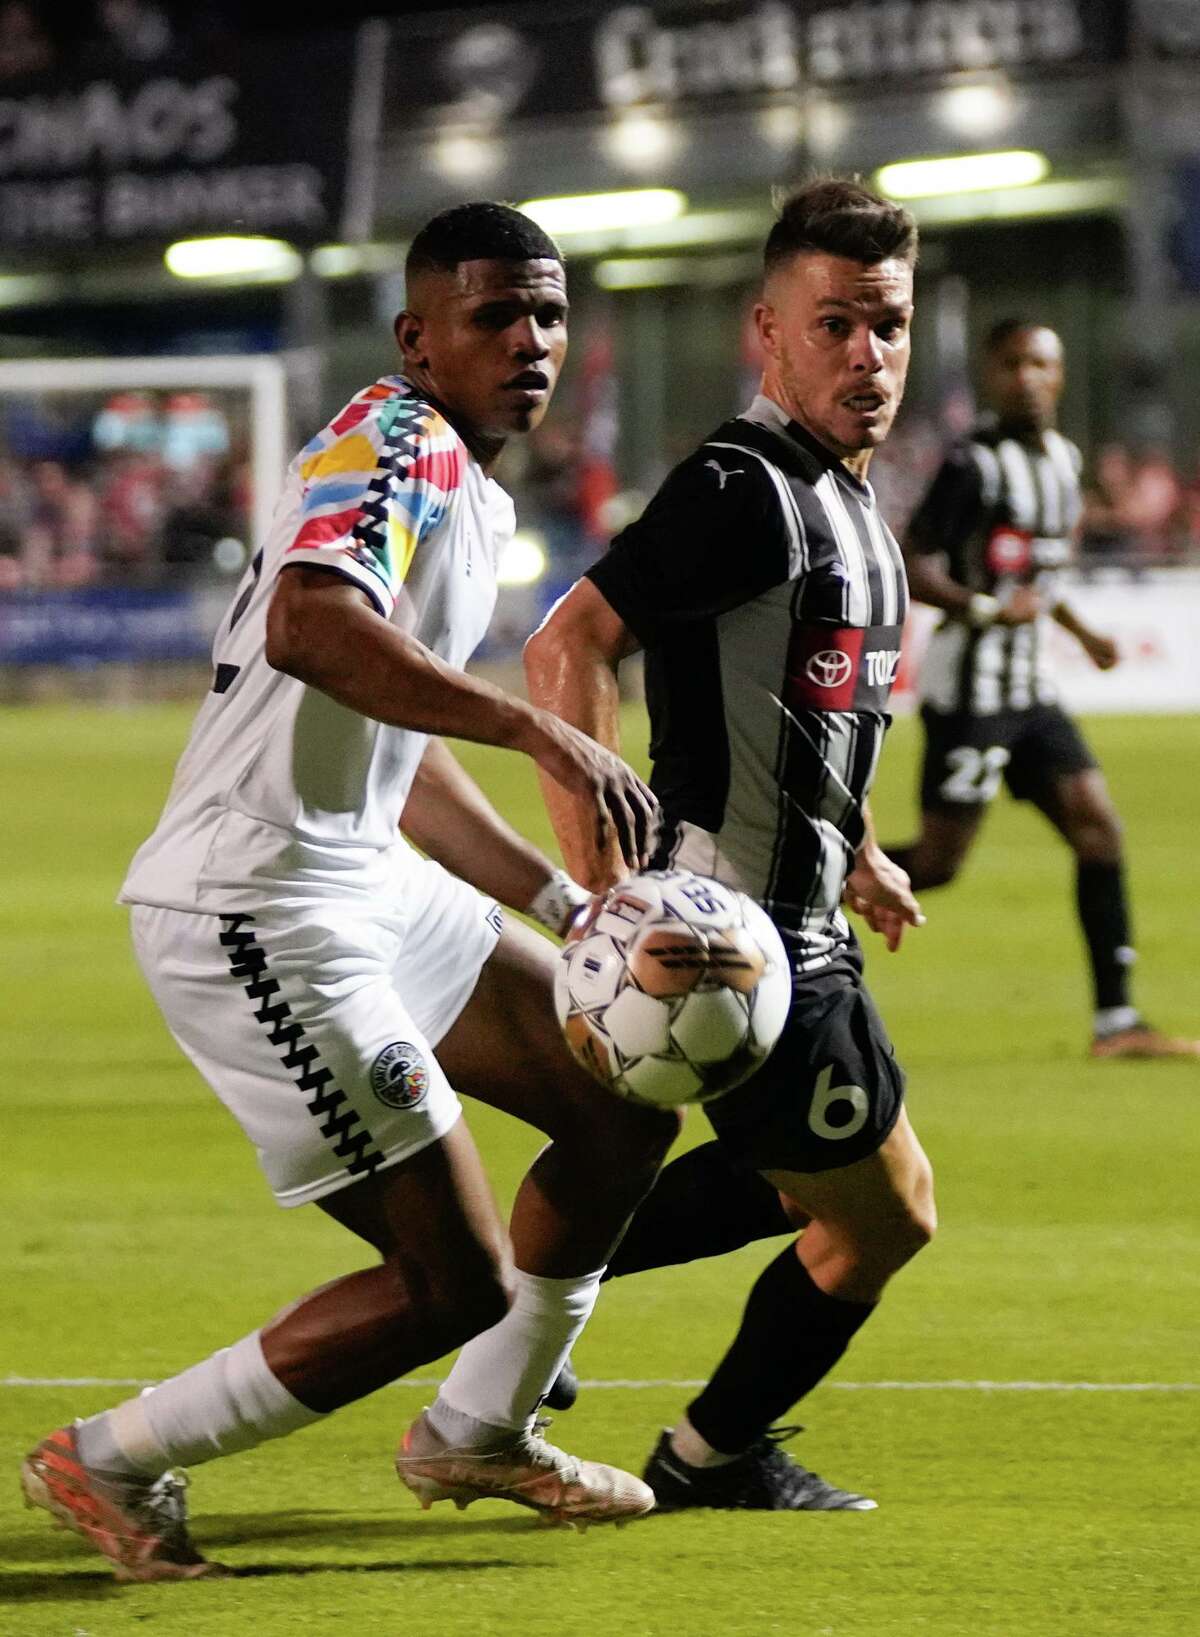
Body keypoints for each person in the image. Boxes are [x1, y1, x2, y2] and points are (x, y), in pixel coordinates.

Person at [20, 201, 679, 1583]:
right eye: (497, 314)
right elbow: (310, 626)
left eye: (549, 314)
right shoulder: (390, 440)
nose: (532, 341)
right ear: (417, 337)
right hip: (257, 907)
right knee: (452, 1282)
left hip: (361, 876)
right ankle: (113, 1456)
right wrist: (541, 728)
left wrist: (569, 910)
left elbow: (399, 751)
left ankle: (481, 1430)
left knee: (617, 1098)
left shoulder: (466, 483)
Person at [524, 178, 936, 1512]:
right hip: (736, 936)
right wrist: (607, 891)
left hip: (804, 920)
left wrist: (862, 848)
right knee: (884, 1215)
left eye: (888, 325)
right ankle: (701, 1443)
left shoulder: (849, 504)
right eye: (836, 326)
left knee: (815, 1193)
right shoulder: (742, 486)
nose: (867, 356)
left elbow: (803, 712)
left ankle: (520, 1295)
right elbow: (567, 645)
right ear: (770, 330)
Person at [888, 319, 1198, 1059]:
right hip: (972, 691)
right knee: (935, 864)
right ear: (994, 375)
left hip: (1031, 689)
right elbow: (915, 562)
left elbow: (1037, 574)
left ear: (1059, 375)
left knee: (1099, 827)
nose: (1027, 376)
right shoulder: (974, 464)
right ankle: (779, 900)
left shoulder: (1063, 460)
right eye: (1012, 363)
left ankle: (1116, 1023)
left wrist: (1083, 632)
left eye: (1041, 363)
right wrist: (990, 608)